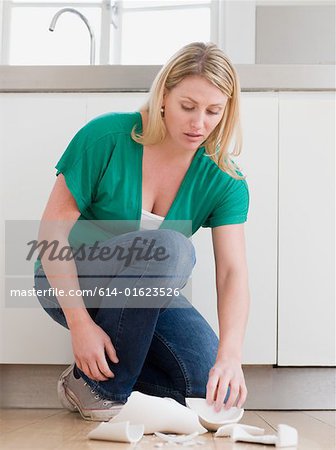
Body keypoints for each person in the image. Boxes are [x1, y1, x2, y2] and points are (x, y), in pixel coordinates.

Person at [34, 41, 250, 422]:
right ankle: (104, 393)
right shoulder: (106, 137)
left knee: (206, 385)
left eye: (213, 111)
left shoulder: (225, 179)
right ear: (163, 95)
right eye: (188, 106)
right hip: (67, 277)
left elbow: (233, 273)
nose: (199, 123)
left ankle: (85, 382)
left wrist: (230, 356)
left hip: (144, 295)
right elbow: (53, 234)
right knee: (173, 249)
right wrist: (81, 325)